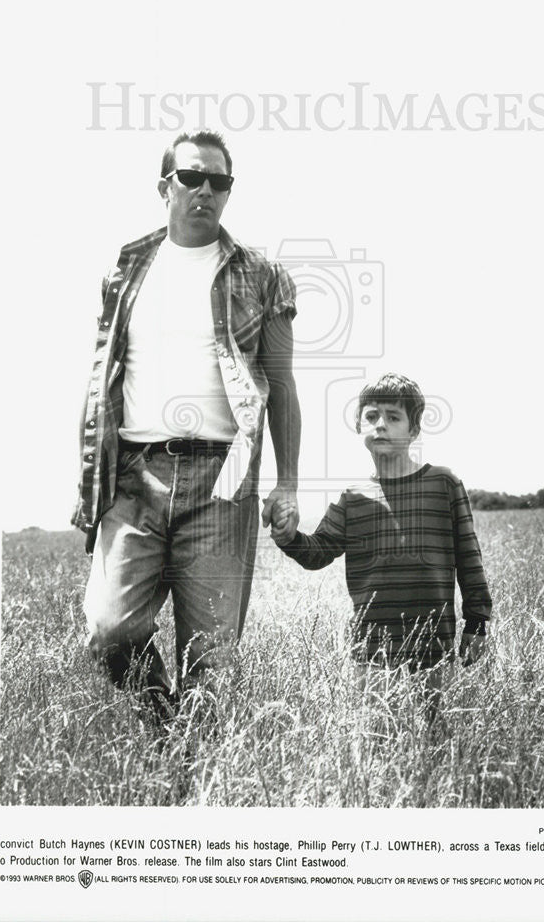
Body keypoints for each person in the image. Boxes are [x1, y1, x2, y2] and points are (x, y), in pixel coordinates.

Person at [72, 130, 301, 719]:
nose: (205, 190)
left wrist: (290, 482)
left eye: (218, 181)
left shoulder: (262, 275)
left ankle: (188, 772)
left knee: (213, 658)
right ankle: (164, 723)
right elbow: (105, 375)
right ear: (164, 186)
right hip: (133, 472)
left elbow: (282, 386)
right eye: (191, 177)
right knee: (109, 630)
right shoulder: (125, 270)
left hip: (223, 477)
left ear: (229, 191)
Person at [270, 373, 491, 682]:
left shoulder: (444, 483)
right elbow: (318, 551)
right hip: (371, 649)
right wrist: (289, 537)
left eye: (393, 416)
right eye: (371, 416)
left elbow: (470, 557)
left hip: (433, 644)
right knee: (374, 729)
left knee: (433, 730)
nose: (380, 424)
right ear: (360, 426)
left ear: (413, 430)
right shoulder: (353, 496)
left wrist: (476, 623)